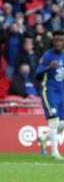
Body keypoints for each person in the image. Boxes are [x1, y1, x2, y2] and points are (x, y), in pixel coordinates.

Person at [36, 29, 64, 159]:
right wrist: (48, 68)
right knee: (54, 122)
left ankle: (43, 139)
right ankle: (55, 153)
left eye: (61, 40)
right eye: (56, 40)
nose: (59, 42)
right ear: (53, 41)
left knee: (61, 125)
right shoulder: (47, 56)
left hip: (62, 92)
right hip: (49, 91)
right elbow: (37, 75)